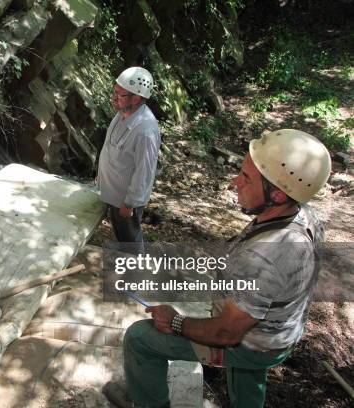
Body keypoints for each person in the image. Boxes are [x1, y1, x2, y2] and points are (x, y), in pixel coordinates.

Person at [103, 129, 332, 408]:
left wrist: (175, 321)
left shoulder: (265, 255)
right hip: (281, 332)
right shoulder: (304, 215)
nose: (235, 182)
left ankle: (148, 401)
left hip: (253, 343)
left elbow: (227, 334)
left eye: (246, 178)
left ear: (279, 195)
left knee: (140, 339)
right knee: (246, 379)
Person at [97, 66, 161, 247]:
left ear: (137, 98)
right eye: (114, 91)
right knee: (122, 235)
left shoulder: (145, 131)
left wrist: (130, 203)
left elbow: (144, 172)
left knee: (130, 239)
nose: (114, 97)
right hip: (113, 192)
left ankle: (137, 269)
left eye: (120, 94)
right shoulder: (122, 114)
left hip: (125, 200)